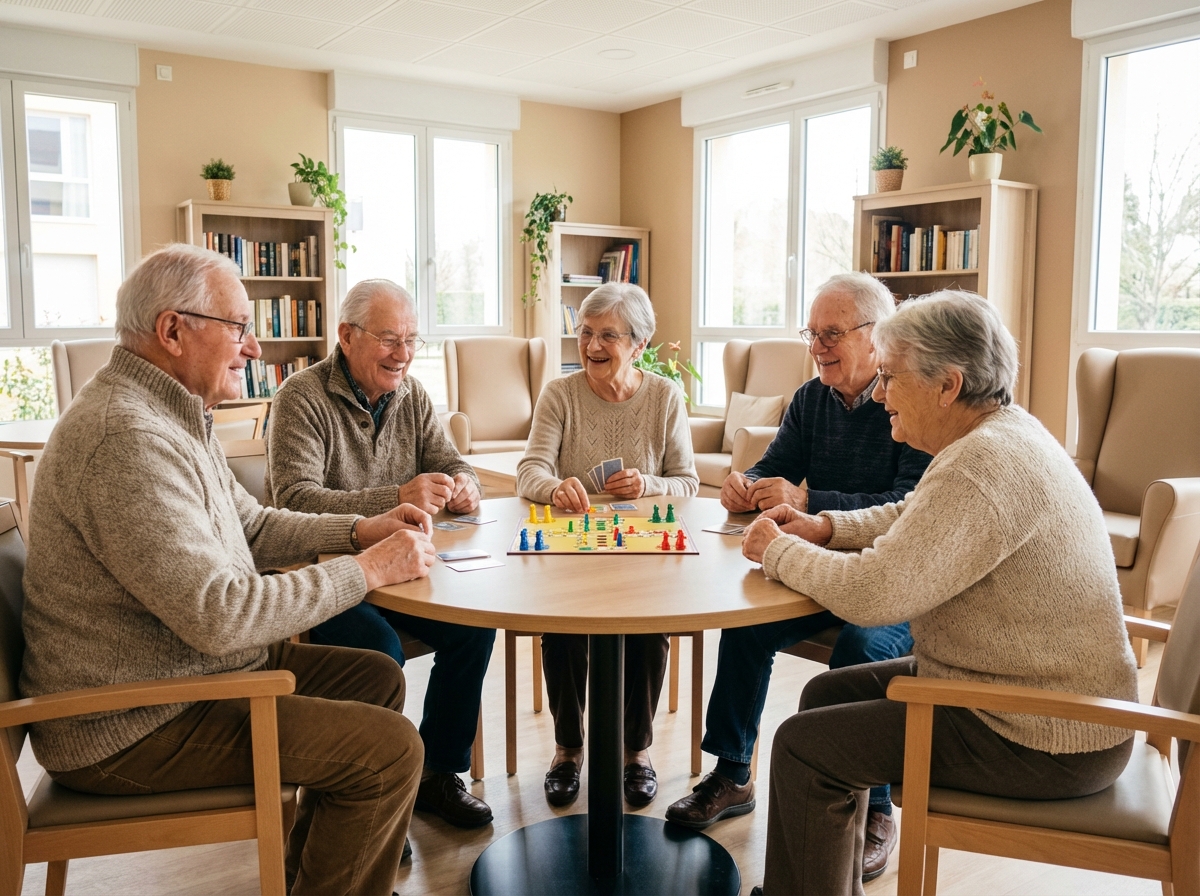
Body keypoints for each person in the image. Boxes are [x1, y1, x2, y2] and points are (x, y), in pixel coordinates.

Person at [19, 243, 439, 896]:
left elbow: (253, 525)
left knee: (375, 678)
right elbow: (222, 615)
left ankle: (316, 879)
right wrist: (367, 570)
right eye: (239, 328)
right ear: (172, 330)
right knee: (389, 754)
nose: (254, 348)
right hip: (132, 725)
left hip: (186, 679)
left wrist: (360, 529)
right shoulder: (126, 440)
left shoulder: (172, 414)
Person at [741, 290, 1139, 895]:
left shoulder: (984, 465)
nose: (879, 394)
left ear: (948, 384)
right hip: (1006, 692)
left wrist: (779, 549)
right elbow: (915, 513)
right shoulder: (997, 436)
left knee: (803, 749)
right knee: (824, 694)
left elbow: (873, 594)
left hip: (1044, 733)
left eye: (893, 377)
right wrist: (827, 527)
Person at [667, 273, 931, 882]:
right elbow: (777, 466)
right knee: (747, 620)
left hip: (894, 577)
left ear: (875, 337)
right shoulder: (813, 398)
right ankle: (732, 774)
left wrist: (809, 501)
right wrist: (746, 481)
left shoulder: (909, 401)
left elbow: (907, 501)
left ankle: (875, 806)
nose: (817, 345)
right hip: (821, 570)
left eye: (830, 333)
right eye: (812, 333)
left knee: (863, 648)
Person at [267, 279, 497, 829]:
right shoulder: (300, 397)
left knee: (474, 626)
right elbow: (293, 501)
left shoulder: (413, 395)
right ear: (346, 336)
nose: (404, 353)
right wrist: (391, 499)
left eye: (412, 339)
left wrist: (464, 485)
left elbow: (452, 462)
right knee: (378, 649)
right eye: (390, 338)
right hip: (329, 574)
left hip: (402, 571)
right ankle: (370, 799)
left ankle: (438, 774)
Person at [517, 282, 698, 809]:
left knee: (650, 627)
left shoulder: (664, 396)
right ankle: (567, 749)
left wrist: (650, 485)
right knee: (563, 628)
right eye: (586, 333)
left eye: (608, 336)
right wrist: (555, 487)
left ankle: (635, 753)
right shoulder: (560, 394)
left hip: (641, 554)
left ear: (639, 344)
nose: (593, 346)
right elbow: (529, 471)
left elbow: (686, 481)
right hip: (575, 552)